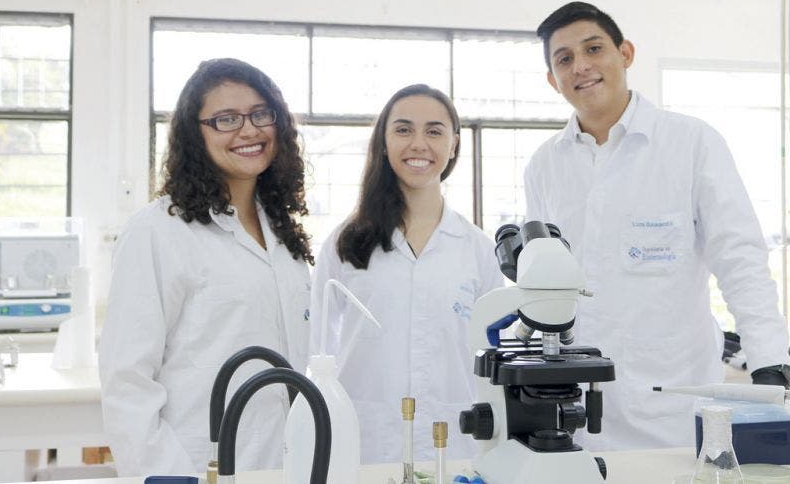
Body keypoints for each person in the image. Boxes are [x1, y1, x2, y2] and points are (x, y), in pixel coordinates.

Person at [524, 2, 790, 450]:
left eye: (594, 48)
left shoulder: (692, 143)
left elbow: (740, 257)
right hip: (577, 406)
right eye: (564, 59)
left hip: (676, 403)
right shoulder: (544, 166)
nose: (582, 67)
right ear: (553, 80)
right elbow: (542, 285)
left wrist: (769, 365)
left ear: (625, 53)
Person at [99, 58, 314, 475]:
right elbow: (127, 381)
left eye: (260, 114)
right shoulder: (159, 231)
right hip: (196, 465)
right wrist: (167, 475)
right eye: (226, 119)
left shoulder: (282, 232)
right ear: (195, 135)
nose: (249, 130)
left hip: (283, 463)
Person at [310, 84, 504, 463]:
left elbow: (492, 359)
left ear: (454, 145)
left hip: (455, 445)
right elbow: (318, 352)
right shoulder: (346, 243)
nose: (418, 143)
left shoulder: (477, 249)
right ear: (383, 143)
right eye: (403, 130)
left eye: (434, 131)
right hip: (365, 444)